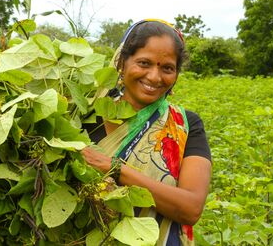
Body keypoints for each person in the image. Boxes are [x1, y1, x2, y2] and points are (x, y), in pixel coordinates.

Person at [81, 19, 212, 245]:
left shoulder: (185, 125)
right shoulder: (84, 116)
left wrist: (116, 170)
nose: (154, 77)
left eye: (167, 68)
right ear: (122, 63)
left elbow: (191, 208)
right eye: (144, 63)